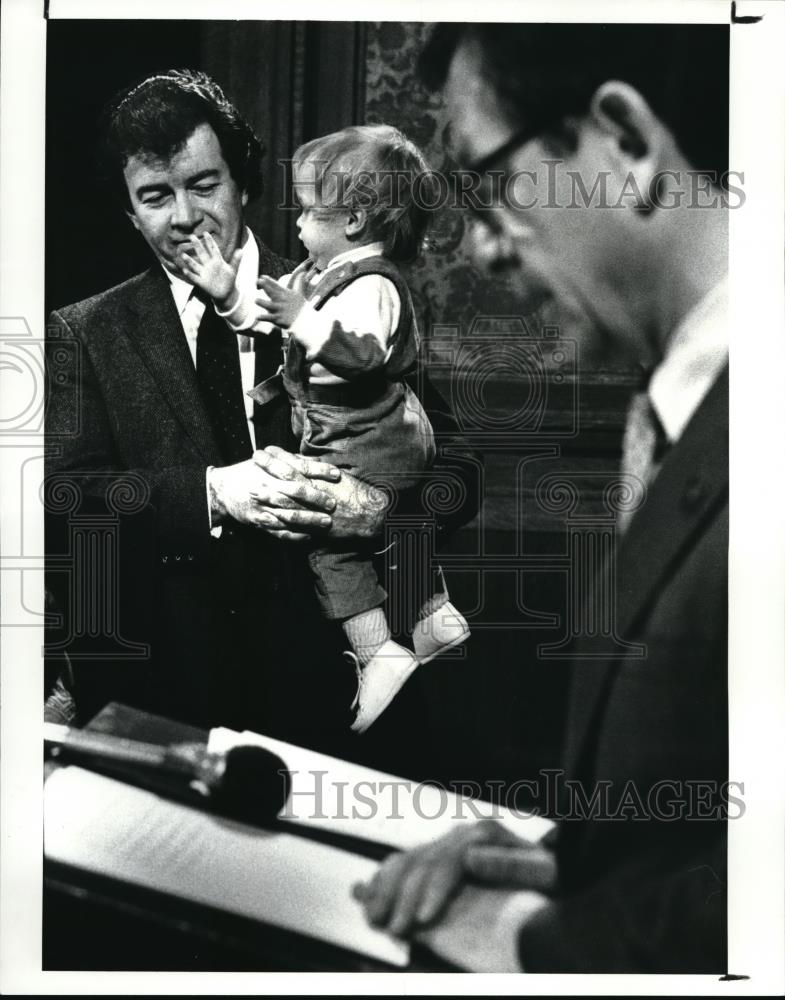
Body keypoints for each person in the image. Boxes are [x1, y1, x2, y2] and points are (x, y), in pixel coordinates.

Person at [355, 23, 730, 973]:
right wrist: (560, 863)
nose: (478, 249)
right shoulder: (681, 409)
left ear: (628, 141)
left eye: (489, 188)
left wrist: (537, 945)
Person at [44, 70, 477, 750]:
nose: (183, 215)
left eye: (203, 184)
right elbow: (67, 497)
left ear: (243, 184)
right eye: (155, 196)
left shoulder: (345, 286)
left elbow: (458, 471)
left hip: (335, 703)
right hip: (165, 703)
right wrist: (212, 494)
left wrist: (377, 508)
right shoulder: (82, 332)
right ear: (131, 212)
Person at [178, 124, 470, 733]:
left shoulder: (374, 284)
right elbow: (261, 321)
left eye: (311, 212)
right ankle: (432, 619)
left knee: (333, 548)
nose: (301, 226)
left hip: (375, 437)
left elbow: (362, 355)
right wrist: (229, 293)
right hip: (352, 437)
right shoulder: (315, 276)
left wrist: (301, 317)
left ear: (356, 220)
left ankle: (380, 655)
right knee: (357, 536)